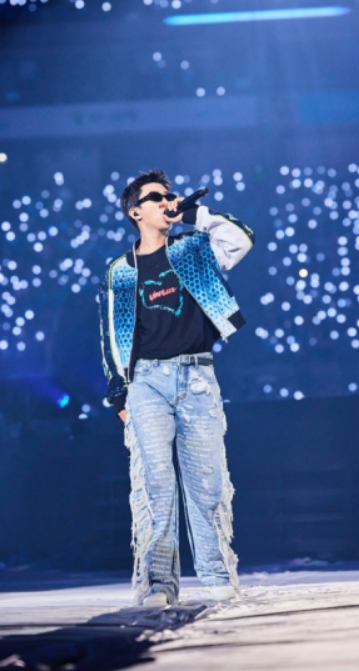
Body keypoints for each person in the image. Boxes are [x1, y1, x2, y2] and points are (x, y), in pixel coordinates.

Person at [98, 169, 254, 607]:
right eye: (157, 197)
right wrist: (118, 392)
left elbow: (241, 240)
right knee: (155, 484)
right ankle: (158, 584)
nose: (168, 200)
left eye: (171, 195)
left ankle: (216, 573)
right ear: (135, 211)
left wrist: (194, 214)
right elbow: (110, 333)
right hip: (146, 382)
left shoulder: (193, 249)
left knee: (206, 480)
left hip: (197, 375)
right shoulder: (120, 270)